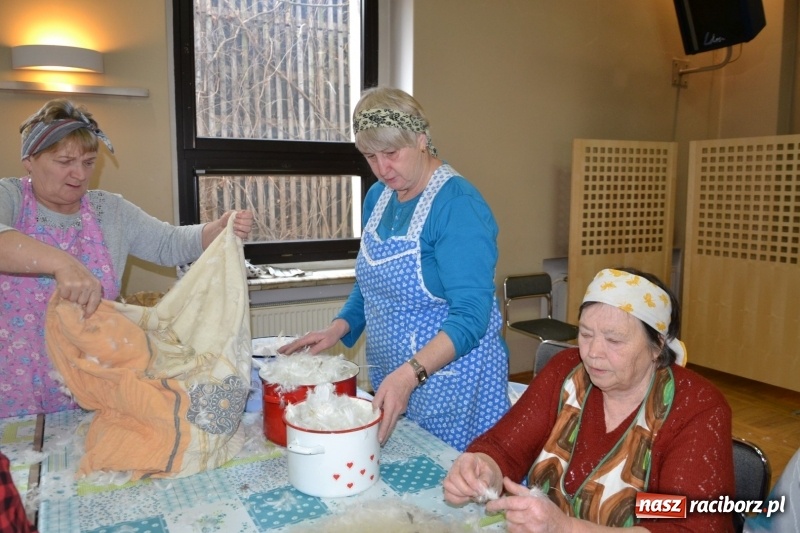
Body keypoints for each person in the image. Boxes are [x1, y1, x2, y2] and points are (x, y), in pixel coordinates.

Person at [279, 86, 510, 451]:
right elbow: (372, 282)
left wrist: (411, 374)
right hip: (396, 378)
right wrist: (338, 328)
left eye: (391, 153)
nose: (382, 168)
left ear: (421, 140)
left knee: (453, 491)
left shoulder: (457, 205)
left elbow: (471, 317)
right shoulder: (379, 197)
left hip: (453, 386)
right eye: (370, 157)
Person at [0, 99, 254, 418]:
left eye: (89, 162)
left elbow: (168, 243)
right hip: (13, 383)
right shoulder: (9, 197)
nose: (79, 174)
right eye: (65, 161)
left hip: (92, 378)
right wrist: (61, 263)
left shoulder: (109, 211)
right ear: (30, 160)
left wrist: (216, 229)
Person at [443, 267, 736, 532]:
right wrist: (483, 469)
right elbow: (505, 449)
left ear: (657, 345)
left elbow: (690, 529)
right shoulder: (565, 372)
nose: (593, 352)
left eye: (614, 340)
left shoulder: (696, 408)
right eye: (585, 334)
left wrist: (566, 528)